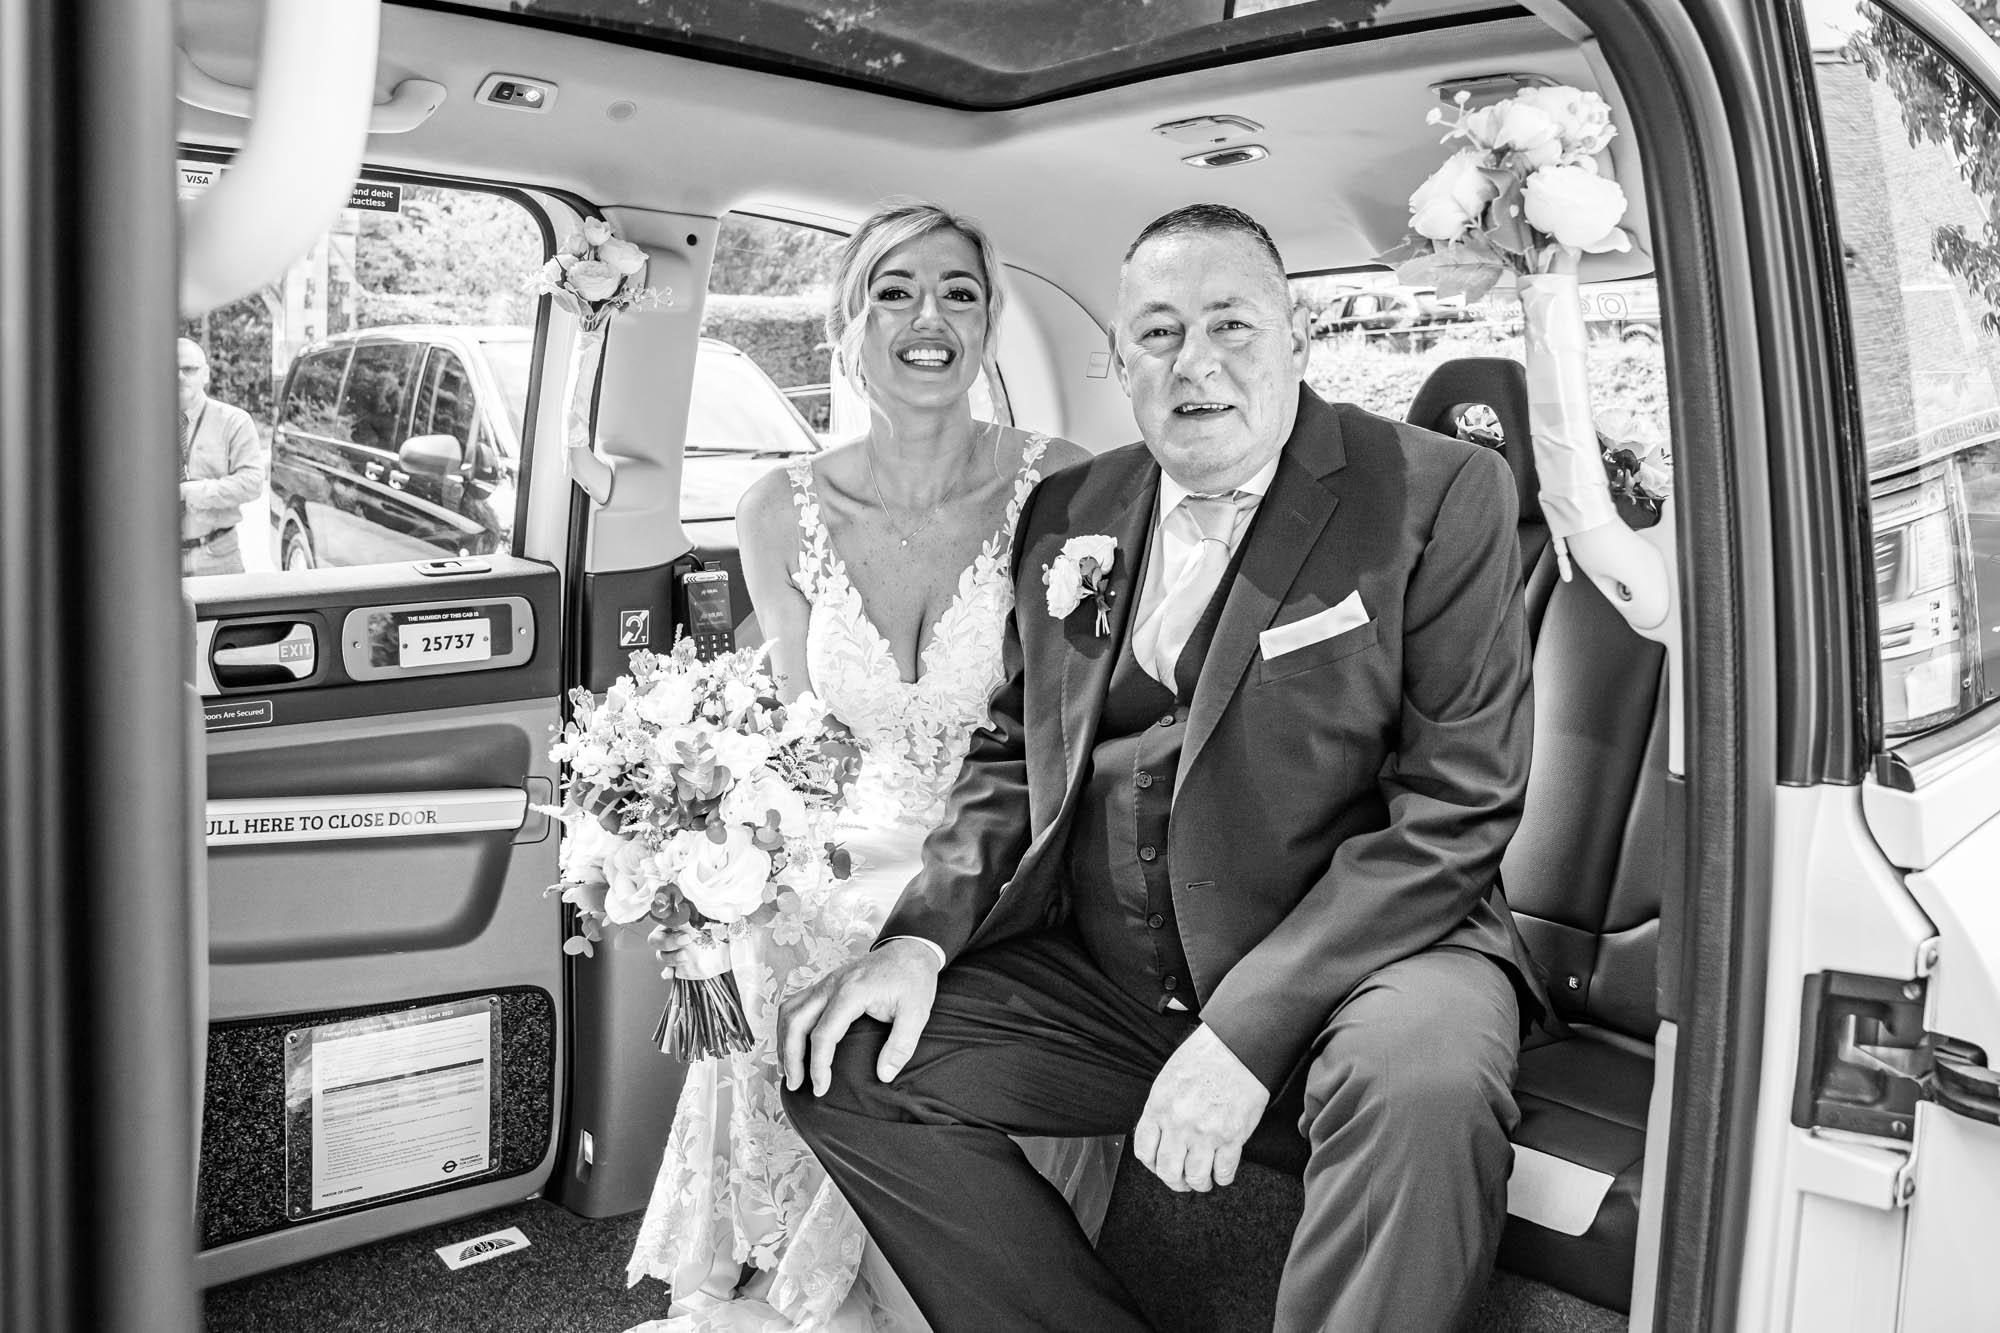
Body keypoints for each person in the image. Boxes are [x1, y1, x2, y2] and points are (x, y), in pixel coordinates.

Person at [776, 203, 1549, 1333]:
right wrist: (917, 936)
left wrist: (1246, 1031)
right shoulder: (1072, 507)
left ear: (1297, 338)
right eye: (1155, 334)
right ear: (1117, 358)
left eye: (1231, 325)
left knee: (1423, 1085)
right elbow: (1008, 752)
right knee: (848, 1061)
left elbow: (1455, 805)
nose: (1194, 365)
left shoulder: (1437, 492)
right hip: (1116, 972)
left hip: (1369, 961)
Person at [623, 200, 1092, 1333]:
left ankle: (919, 1274)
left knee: (869, 931)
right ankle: (794, 1269)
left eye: (959, 292)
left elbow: (1077, 718)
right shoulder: (776, 508)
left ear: (985, 326)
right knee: (779, 920)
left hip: (1007, 841)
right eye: (894, 290)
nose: (928, 317)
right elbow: (799, 737)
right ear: (846, 323)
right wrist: (710, 838)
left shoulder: (1067, 485)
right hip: (851, 827)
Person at [177, 337, 265, 576]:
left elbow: (252, 483)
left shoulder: (234, 421)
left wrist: (189, 492)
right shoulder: (140, 423)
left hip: (216, 557)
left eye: (189, 369)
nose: (179, 376)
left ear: (205, 374)